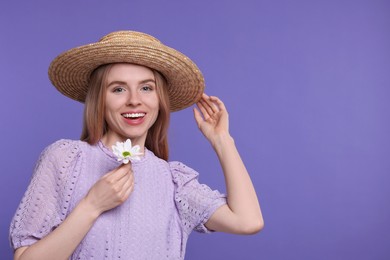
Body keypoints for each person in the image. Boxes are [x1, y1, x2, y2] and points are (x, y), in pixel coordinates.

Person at [9, 30, 263, 260]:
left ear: (160, 100)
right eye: (118, 89)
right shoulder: (66, 158)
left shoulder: (173, 182)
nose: (134, 100)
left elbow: (247, 221)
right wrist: (91, 206)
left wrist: (222, 140)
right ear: (99, 99)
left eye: (146, 88)